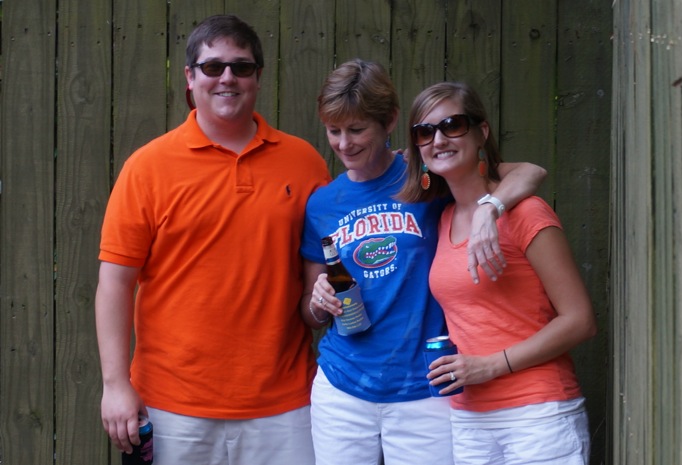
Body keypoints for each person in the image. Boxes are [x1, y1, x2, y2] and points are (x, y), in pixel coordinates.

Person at [95, 14, 331, 465]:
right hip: (171, 406)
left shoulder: (304, 163)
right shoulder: (147, 167)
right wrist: (114, 385)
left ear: (258, 77)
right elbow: (115, 283)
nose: (227, 78)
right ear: (189, 76)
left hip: (284, 406)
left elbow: (317, 274)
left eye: (241, 67)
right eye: (213, 66)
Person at [300, 59, 547, 465]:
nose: (344, 144)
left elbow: (529, 172)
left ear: (389, 121)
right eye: (334, 131)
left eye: (357, 129)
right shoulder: (323, 204)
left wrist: (491, 207)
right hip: (341, 387)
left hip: (425, 384)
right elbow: (310, 313)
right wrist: (318, 300)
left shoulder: (428, 179)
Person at [398, 81, 598, 464]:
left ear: (481, 132)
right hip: (470, 420)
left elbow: (580, 321)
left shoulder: (526, 212)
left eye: (452, 125)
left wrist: (491, 365)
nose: (438, 139)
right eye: (425, 132)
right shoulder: (443, 218)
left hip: (538, 415)